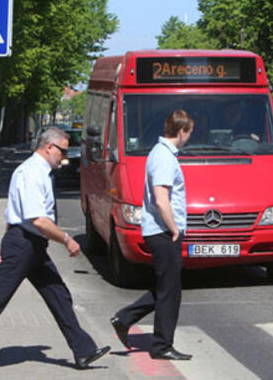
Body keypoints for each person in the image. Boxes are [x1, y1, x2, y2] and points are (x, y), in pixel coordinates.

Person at [0, 127, 110, 374]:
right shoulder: (31, 173)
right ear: (48, 147)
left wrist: (6, 242)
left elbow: (12, 212)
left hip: (29, 245)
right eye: (61, 150)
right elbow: (37, 220)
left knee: (58, 294)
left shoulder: (39, 172)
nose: (64, 156)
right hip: (24, 245)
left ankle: (83, 350)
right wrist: (67, 239)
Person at [110, 110, 194, 361]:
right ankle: (161, 345)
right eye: (189, 132)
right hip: (163, 231)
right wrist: (174, 228)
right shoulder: (164, 158)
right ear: (181, 131)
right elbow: (161, 198)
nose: (189, 137)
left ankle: (124, 319)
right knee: (170, 291)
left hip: (161, 230)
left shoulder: (161, 154)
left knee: (166, 287)